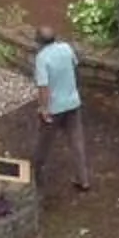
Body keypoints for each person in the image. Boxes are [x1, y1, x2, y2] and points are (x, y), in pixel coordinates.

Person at [33, 28, 91, 192]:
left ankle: (35, 176)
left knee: (43, 143)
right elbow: (76, 70)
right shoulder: (66, 48)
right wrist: (75, 91)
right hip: (72, 103)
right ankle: (83, 179)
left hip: (54, 108)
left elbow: (43, 87)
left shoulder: (41, 58)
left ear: (38, 42)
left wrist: (44, 109)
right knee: (76, 142)